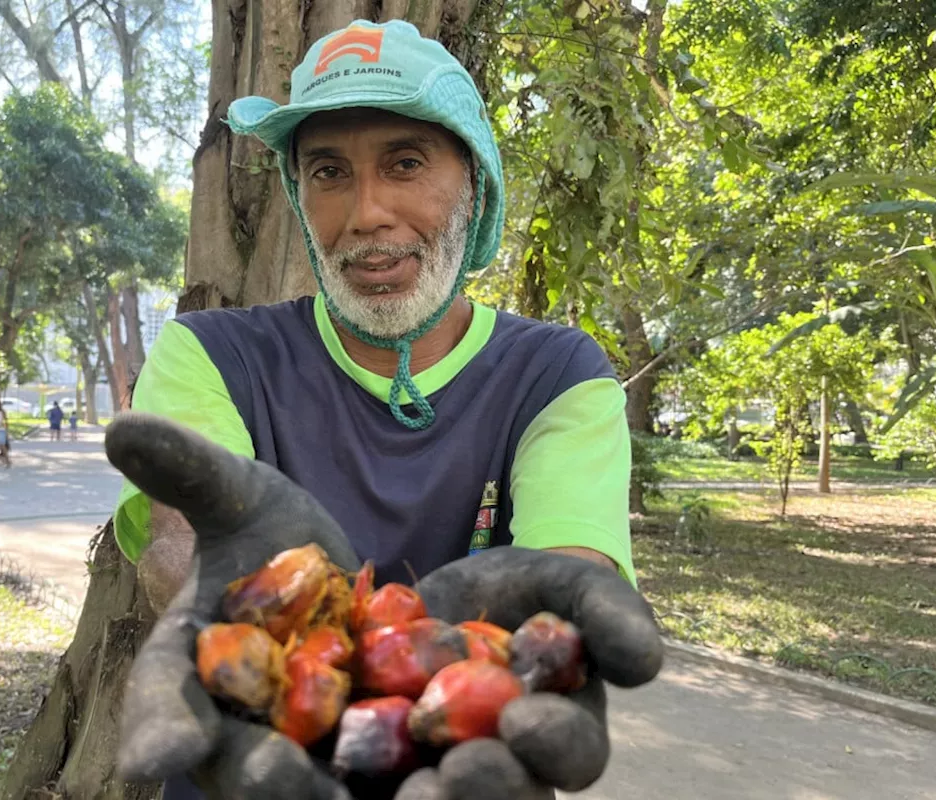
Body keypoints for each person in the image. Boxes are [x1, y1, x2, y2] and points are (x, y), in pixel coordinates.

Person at [107, 19, 661, 800]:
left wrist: (546, 640)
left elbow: (570, 572)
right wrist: (231, 602)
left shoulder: (555, 375)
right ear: (300, 198)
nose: (366, 212)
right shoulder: (212, 354)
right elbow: (184, 538)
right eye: (329, 171)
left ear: (474, 182)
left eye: (405, 163)